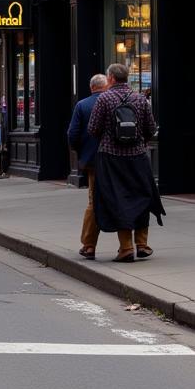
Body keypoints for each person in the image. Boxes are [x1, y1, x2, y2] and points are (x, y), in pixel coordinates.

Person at [87, 63, 164, 261]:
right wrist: (139, 143)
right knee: (141, 196)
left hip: (111, 158)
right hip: (138, 157)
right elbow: (150, 128)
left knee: (118, 200)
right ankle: (142, 243)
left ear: (111, 78)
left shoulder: (104, 99)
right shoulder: (139, 99)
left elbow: (93, 129)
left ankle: (126, 247)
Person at [67, 74, 108, 259]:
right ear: (106, 86)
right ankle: (129, 246)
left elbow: (72, 134)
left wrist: (82, 152)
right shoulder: (114, 101)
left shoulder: (82, 105)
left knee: (94, 201)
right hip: (119, 160)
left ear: (91, 87)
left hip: (93, 160)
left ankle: (89, 245)